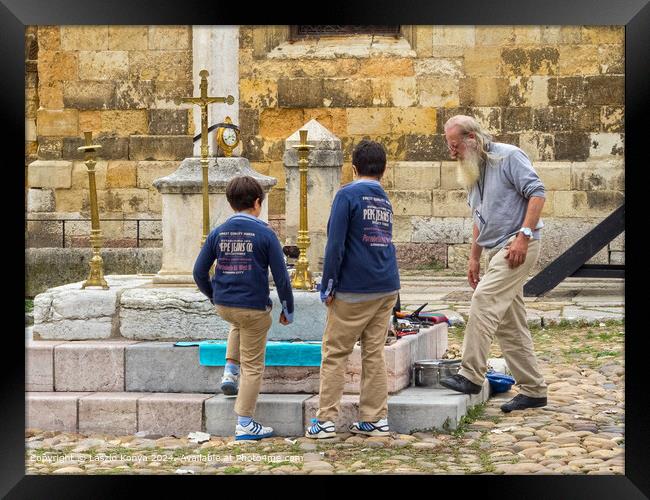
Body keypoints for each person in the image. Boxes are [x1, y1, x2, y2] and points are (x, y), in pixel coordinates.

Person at [439, 115, 548, 413]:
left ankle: (471, 374)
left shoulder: (509, 156)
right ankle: (534, 389)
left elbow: (537, 193)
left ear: (472, 138)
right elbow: (479, 219)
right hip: (496, 248)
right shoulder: (473, 171)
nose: (452, 153)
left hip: (517, 245)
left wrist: (524, 236)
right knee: (510, 324)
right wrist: (474, 257)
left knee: (484, 300)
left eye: (455, 146)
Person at [305, 139, 400, 439]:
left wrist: (328, 283)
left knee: (335, 353)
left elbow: (335, 244)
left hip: (354, 287)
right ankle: (375, 417)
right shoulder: (384, 199)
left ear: (354, 167)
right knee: (374, 353)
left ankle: (326, 420)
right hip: (386, 286)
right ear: (383, 171)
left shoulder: (347, 195)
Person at [193, 176, 294, 440]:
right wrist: (287, 307)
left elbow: (198, 271)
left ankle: (229, 370)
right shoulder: (265, 233)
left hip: (226, 305)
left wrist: (214, 295)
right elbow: (281, 276)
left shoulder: (218, 232)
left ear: (230, 203)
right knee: (254, 365)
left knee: (237, 324)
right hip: (253, 306)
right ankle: (245, 422)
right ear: (258, 203)